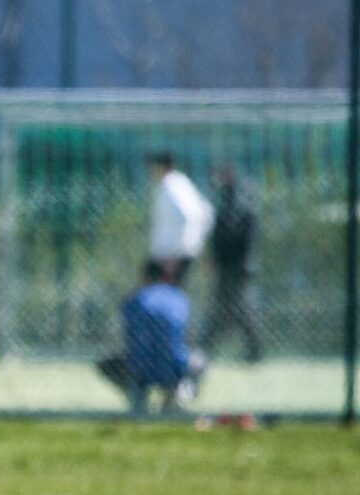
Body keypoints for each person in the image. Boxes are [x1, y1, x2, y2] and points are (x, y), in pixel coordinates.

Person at [97, 261, 205, 413]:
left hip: (140, 368)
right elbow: (184, 333)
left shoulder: (134, 298)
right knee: (199, 359)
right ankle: (175, 396)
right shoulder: (178, 297)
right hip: (174, 367)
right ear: (166, 277)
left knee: (107, 363)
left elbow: (127, 333)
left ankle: (137, 396)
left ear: (145, 277)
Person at [199, 166, 261, 362]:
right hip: (236, 265)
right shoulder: (236, 204)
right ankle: (208, 347)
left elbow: (228, 237)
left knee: (234, 309)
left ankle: (207, 347)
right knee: (234, 308)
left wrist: (216, 258)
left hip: (233, 266)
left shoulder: (232, 204)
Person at [146, 151, 213, 287]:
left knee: (159, 291)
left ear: (161, 166)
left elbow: (186, 216)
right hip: (177, 253)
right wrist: (195, 243)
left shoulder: (170, 187)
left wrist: (176, 253)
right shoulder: (181, 182)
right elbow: (206, 212)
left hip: (169, 256)